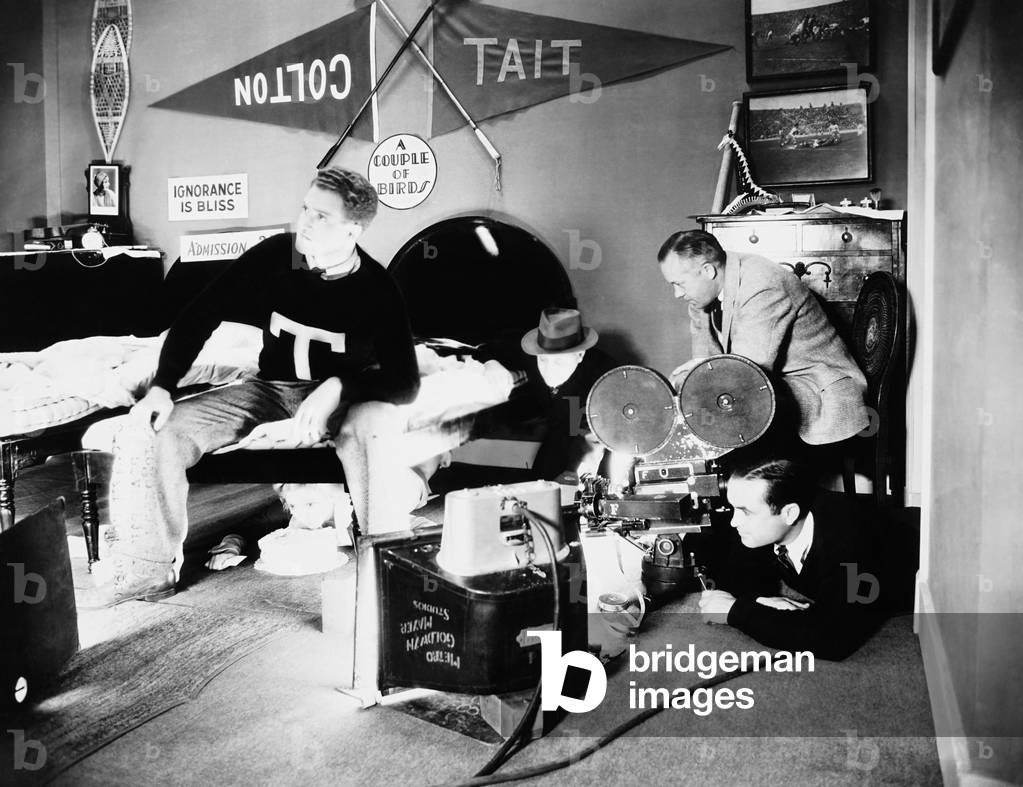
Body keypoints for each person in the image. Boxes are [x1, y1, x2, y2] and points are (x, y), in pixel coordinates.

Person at [81, 166, 420, 607]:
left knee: (375, 429)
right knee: (156, 428)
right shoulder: (280, 254)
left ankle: (389, 577)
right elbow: (199, 315)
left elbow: (405, 382)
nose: (305, 222)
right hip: (270, 390)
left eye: (321, 216)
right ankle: (146, 575)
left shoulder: (376, 287)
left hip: (346, 402)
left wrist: (341, 385)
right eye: (305, 208)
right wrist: (163, 386)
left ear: (352, 230)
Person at [657, 229, 868, 449]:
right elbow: (705, 370)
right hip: (777, 384)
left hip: (822, 393)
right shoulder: (700, 295)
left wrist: (695, 375)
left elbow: (745, 376)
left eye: (679, 284)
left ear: (708, 271)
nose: (677, 294)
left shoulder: (762, 283)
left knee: (734, 411)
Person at [698, 454, 886, 660]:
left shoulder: (850, 540)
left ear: (790, 514)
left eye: (745, 512)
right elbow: (733, 578)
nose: (734, 522)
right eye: (734, 508)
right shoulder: (765, 521)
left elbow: (834, 639)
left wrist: (735, 611)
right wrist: (761, 602)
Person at [521, 307, 617, 481]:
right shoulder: (533, 359)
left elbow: (591, 441)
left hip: (598, 454)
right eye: (543, 359)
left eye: (558, 361)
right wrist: (490, 362)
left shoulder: (603, 378)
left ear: (579, 355)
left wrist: (574, 472)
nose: (549, 370)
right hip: (556, 438)